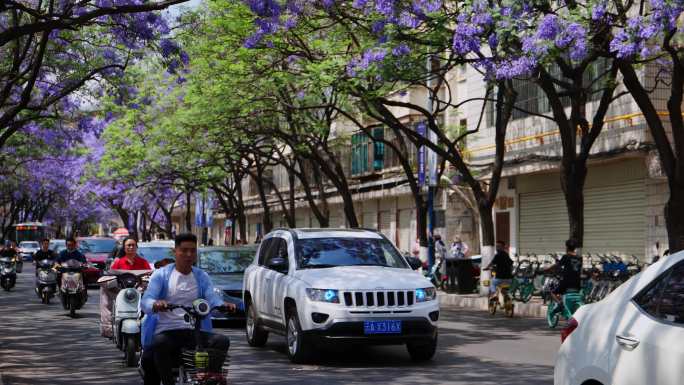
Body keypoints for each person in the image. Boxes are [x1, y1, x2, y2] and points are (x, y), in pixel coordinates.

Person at [140, 233, 236, 385]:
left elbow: (212, 298)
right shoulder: (161, 275)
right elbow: (146, 300)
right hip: (166, 333)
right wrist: (155, 304)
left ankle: (209, 378)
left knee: (222, 341)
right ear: (175, 251)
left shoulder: (201, 276)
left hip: (194, 333)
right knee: (158, 344)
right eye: (184, 250)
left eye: (192, 251)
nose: (188, 255)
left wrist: (222, 305)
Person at [99, 237, 151, 338]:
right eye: (128, 245)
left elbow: (148, 276)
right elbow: (111, 276)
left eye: (133, 245)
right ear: (124, 247)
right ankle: (108, 327)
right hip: (122, 293)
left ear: (136, 247)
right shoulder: (118, 262)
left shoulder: (143, 262)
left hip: (139, 293)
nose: (131, 247)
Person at [548, 239, 583, 306]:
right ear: (575, 248)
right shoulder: (580, 258)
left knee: (553, 293)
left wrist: (545, 269)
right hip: (577, 283)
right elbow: (574, 266)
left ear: (567, 247)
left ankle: (560, 304)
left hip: (566, 282)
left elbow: (557, 265)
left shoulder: (566, 256)